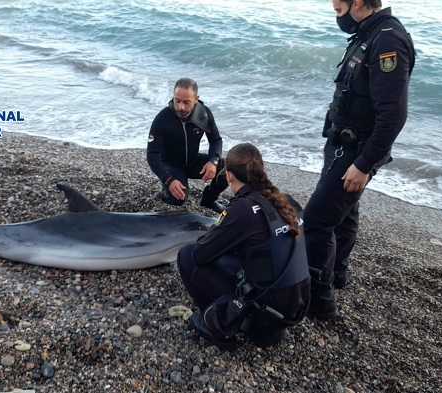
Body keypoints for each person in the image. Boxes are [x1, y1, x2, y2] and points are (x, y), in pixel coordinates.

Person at [303, 0, 415, 320]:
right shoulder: (369, 34)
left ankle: (319, 303)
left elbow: (393, 116)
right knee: (345, 214)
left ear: (355, 2)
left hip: (355, 154)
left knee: (316, 222)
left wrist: (364, 165)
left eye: (338, 9)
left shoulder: (388, 40)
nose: (334, 11)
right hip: (341, 146)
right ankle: (336, 275)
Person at [177, 143, 310, 349]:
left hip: (267, 310)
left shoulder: (243, 209)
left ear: (229, 176)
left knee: (186, 256)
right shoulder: (288, 202)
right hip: (297, 304)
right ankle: (266, 325)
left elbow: (200, 255)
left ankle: (221, 326)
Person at [147, 77, 228, 214]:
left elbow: (216, 140)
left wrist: (213, 161)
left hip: (193, 161)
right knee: (178, 199)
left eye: (186, 102)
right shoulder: (163, 118)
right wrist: (168, 180)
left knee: (227, 169)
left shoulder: (204, 114)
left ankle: (209, 200)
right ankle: (166, 192)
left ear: (196, 99)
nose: (180, 107)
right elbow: (152, 155)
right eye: (177, 100)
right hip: (171, 164)